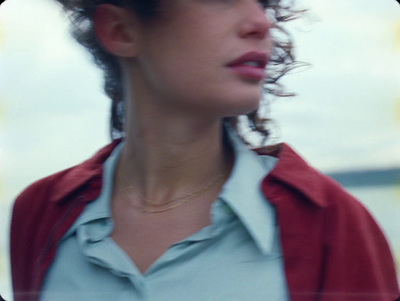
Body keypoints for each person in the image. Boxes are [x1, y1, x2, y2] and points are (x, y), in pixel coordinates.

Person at [10, 0, 400, 301]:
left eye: (262, 2)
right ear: (121, 30)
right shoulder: (39, 215)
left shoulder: (333, 225)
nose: (261, 23)